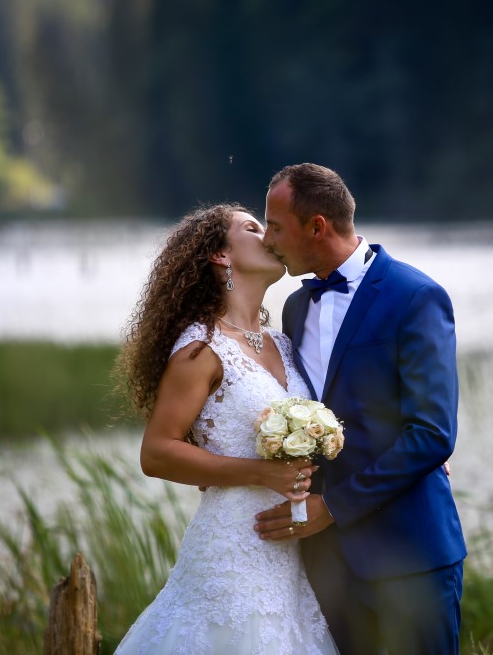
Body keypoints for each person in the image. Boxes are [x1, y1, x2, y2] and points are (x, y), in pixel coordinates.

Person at [256, 163, 467, 655]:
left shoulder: (416, 297)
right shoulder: (295, 308)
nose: (267, 240)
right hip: (327, 564)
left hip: (410, 554)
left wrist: (332, 507)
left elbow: (433, 433)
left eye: (276, 227)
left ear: (316, 227)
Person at [112, 203, 339, 655]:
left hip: (287, 559)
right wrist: (260, 473)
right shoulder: (201, 348)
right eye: (253, 228)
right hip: (232, 554)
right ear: (220, 255)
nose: (268, 235)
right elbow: (156, 453)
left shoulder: (283, 342)